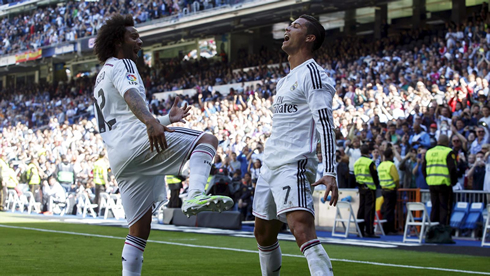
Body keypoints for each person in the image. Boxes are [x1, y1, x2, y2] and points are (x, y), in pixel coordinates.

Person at [93, 15, 233, 276]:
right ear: (117, 41)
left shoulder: (101, 76)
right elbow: (130, 95)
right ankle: (194, 196)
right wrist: (150, 120)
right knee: (207, 140)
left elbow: (120, 116)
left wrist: (166, 119)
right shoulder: (124, 63)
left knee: (139, 230)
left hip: (119, 157)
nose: (140, 41)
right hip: (137, 143)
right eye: (133, 36)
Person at [252, 15, 338, 276]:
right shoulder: (285, 80)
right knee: (263, 234)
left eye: (296, 26)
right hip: (270, 164)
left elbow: (325, 122)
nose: (288, 29)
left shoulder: (313, 74)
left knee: (301, 229)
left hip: (294, 163)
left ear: (309, 38)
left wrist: (330, 170)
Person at [422, 134, 458, 225]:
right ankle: (443, 232)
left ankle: (433, 230)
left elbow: (423, 168)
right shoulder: (449, 151)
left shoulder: (429, 152)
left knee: (435, 207)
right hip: (444, 184)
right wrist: (453, 182)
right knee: (445, 208)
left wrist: (428, 179)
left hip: (432, 184)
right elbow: (452, 168)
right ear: (447, 142)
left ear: (438, 141)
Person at [354, 144, 380, 238]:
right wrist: (376, 185)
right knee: (369, 209)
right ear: (368, 152)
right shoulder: (370, 162)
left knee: (361, 208)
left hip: (361, 188)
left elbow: (355, 176)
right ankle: (369, 231)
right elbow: (374, 176)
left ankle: (360, 230)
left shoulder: (356, 162)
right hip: (370, 188)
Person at [377, 148, 399, 234]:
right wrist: (397, 186)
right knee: (390, 210)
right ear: (390, 156)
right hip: (391, 190)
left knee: (386, 209)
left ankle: (385, 228)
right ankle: (389, 229)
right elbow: (396, 179)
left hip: (383, 189)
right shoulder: (391, 165)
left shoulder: (381, 165)